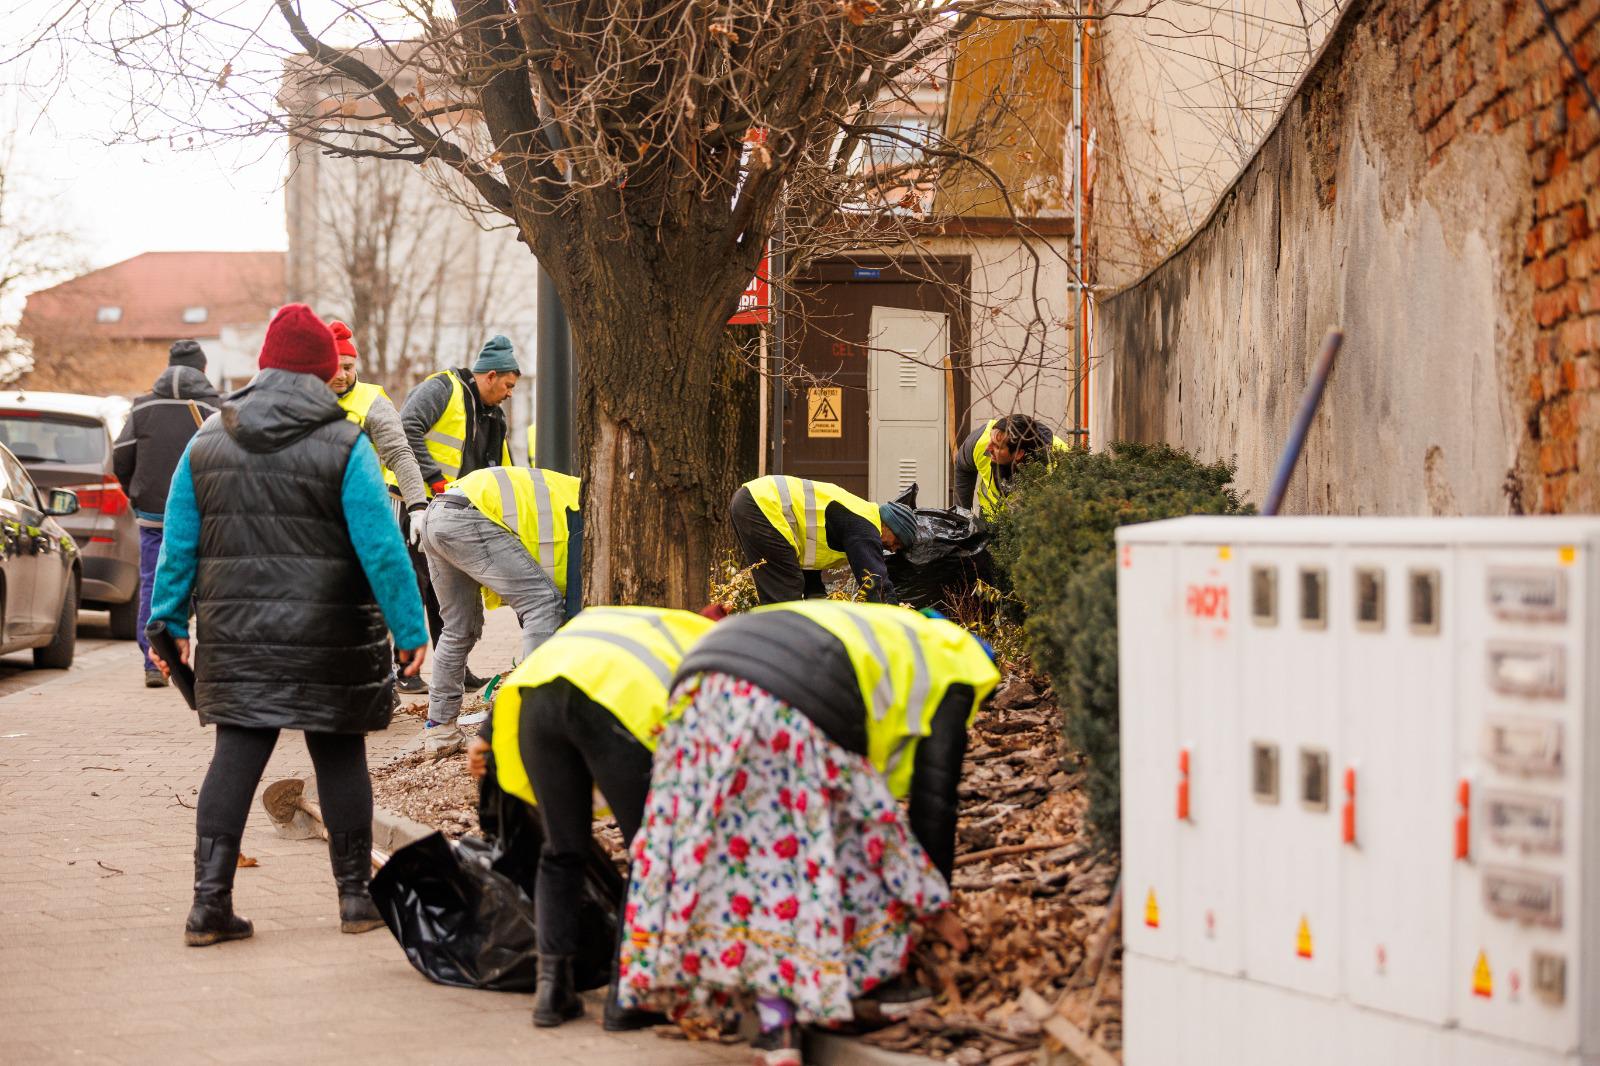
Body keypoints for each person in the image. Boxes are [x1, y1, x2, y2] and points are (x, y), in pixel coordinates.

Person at [147, 304, 429, 948]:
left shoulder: (207, 440)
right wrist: (409, 629)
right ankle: (357, 899)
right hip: (333, 636)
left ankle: (207, 906)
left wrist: (166, 623)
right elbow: (380, 546)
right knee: (340, 752)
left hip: (237, 635)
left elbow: (178, 546)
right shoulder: (344, 442)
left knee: (235, 755)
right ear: (327, 373)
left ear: (264, 367)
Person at [617, 601, 998, 1065]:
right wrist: (933, 904)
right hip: (785, 697)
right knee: (852, 845)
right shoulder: (957, 670)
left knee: (744, 856)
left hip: (695, 691)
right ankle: (869, 983)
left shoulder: (884, 632)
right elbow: (933, 803)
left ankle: (777, 1027)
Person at [485, 605, 717, 1030]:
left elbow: (546, 658)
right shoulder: (708, 650)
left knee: (560, 848)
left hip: (539, 699)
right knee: (647, 853)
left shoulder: (636, 622)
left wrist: (486, 733)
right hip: (608, 705)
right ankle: (626, 997)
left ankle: (553, 990)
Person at [421, 464, 579, 758]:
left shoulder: (566, 488)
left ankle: (441, 731)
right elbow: (555, 585)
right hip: (468, 516)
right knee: (543, 602)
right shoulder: (584, 502)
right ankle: (534, 727)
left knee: (458, 627)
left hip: (437, 514)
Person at [397, 335, 519, 694]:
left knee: (445, 592)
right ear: (490, 375)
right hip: (416, 503)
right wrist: (434, 480)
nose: (510, 393)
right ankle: (405, 670)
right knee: (415, 587)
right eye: (507, 385)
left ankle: (454, 668)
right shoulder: (442, 389)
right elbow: (407, 427)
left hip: (453, 511)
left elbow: (501, 467)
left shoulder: (493, 416)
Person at [327, 320, 431, 691]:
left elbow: (401, 454)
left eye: (349, 367)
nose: (342, 375)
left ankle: (378, 679)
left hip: (367, 514)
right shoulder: (305, 399)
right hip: (319, 518)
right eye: (334, 366)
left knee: (370, 598)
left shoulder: (371, 401)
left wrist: (418, 505)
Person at [112, 339, 221, 688]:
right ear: (203, 369)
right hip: (205, 513)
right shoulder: (215, 408)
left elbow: (121, 458)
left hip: (153, 513)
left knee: (153, 582)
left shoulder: (142, 408)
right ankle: (209, 662)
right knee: (207, 586)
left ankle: (153, 660)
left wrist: (136, 493)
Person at [729, 475, 918, 605]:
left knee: (785, 590)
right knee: (785, 595)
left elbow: (807, 551)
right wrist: (897, 622)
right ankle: (781, 656)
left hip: (753, 501)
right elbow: (875, 583)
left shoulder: (858, 515)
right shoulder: (866, 528)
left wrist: (816, 595)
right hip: (763, 504)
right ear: (890, 526)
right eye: (897, 542)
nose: (893, 549)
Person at [952, 414, 1069, 519]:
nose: (988, 448)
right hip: (990, 524)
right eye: (990, 440)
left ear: (1018, 453)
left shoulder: (1060, 462)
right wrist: (962, 519)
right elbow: (963, 468)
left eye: (997, 446)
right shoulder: (979, 441)